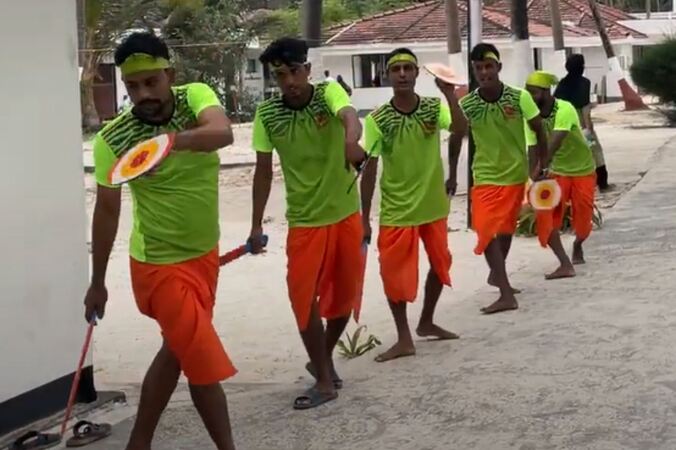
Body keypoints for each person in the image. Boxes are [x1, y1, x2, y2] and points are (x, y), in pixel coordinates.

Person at [83, 32, 237, 450]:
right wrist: (98, 282)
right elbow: (108, 210)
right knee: (200, 361)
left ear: (170, 74)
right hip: (158, 266)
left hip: (205, 257)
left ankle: (139, 442)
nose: (143, 94)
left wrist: (170, 142)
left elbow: (223, 133)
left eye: (151, 81)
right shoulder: (113, 140)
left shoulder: (195, 99)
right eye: (132, 86)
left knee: (176, 350)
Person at [249, 37, 366, 409]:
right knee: (303, 302)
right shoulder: (266, 115)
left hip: (346, 215)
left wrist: (350, 142)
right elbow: (263, 172)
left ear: (308, 70)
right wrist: (255, 225)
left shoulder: (328, 92)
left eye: (294, 72)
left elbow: (349, 115)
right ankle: (323, 379)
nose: (289, 82)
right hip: (304, 222)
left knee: (344, 299)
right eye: (280, 75)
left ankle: (323, 360)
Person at [360, 48, 463, 362]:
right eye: (396, 69)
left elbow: (461, 129)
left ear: (417, 74)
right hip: (397, 209)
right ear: (388, 75)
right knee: (395, 274)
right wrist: (364, 217)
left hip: (433, 205)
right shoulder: (378, 118)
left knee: (440, 264)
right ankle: (404, 337)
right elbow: (370, 168)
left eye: (408, 68)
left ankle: (426, 321)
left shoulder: (433, 108)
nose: (402, 74)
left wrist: (451, 96)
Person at [451, 43, 548, 314]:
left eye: (488, 66)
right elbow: (456, 137)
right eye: (479, 68)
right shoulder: (467, 104)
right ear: (474, 71)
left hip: (515, 176)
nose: (484, 72)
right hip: (484, 177)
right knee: (485, 230)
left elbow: (539, 129)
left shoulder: (519, 97)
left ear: (499, 68)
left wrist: (542, 164)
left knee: (505, 231)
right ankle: (506, 294)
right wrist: (451, 174)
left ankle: (498, 275)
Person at [525, 71, 597, 278]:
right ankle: (564, 263)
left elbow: (554, 142)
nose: (530, 98)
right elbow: (532, 146)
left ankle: (578, 243)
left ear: (547, 92)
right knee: (546, 216)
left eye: (534, 93)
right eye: (527, 93)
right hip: (558, 171)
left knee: (583, 220)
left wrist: (540, 168)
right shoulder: (531, 116)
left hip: (582, 169)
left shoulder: (564, 109)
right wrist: (532, 177)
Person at [554, 54, 611, 192]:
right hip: (581, 123)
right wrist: (589, 128)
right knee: (595, 150)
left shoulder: (562, 83)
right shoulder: (584, 83)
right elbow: (585, 108)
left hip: (563, 123)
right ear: (581, 66)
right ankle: (602, 182)